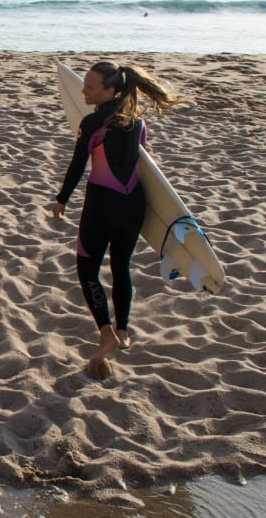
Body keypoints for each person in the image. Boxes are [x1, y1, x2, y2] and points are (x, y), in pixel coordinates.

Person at [51, 61, 191, 377]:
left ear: (110, 90)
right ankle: (124, 330)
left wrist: (61, 200)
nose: (83, 91)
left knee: (87, 268)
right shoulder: (138, 123)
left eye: (90, 87)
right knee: (121, 266)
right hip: (134, 206)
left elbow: (77, 165)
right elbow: (143, 168)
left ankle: (106, 333)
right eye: (84, 85)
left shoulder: (93, 123)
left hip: (101, 205)